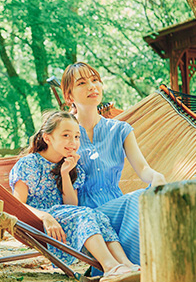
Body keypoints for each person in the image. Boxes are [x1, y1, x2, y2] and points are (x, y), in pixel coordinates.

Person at [9, 111, 141, 282]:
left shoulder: (71, 165)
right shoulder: (29, 164)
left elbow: (71, 206)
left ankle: (126, 265)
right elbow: (16, 205)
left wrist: (65, 174)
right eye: (66, 136)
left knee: (98, 216)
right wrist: (46, 217)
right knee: (86, 214)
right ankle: (110, 268)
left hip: (63, 217)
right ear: (47, 138)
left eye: (77, 136)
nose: (73, 142)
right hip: (39, 220)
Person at [61, 62, 165, 266]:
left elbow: (143, 169)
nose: (92, 86)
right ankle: (142, 266)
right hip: (86, 218)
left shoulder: (120, 130)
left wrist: (156, 177)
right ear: (69, 96)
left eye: (95, 80)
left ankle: (144, 264)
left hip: (118, 208)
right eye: (82, 83)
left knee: (150, 199)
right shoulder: (63, 133)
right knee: (137, 200)